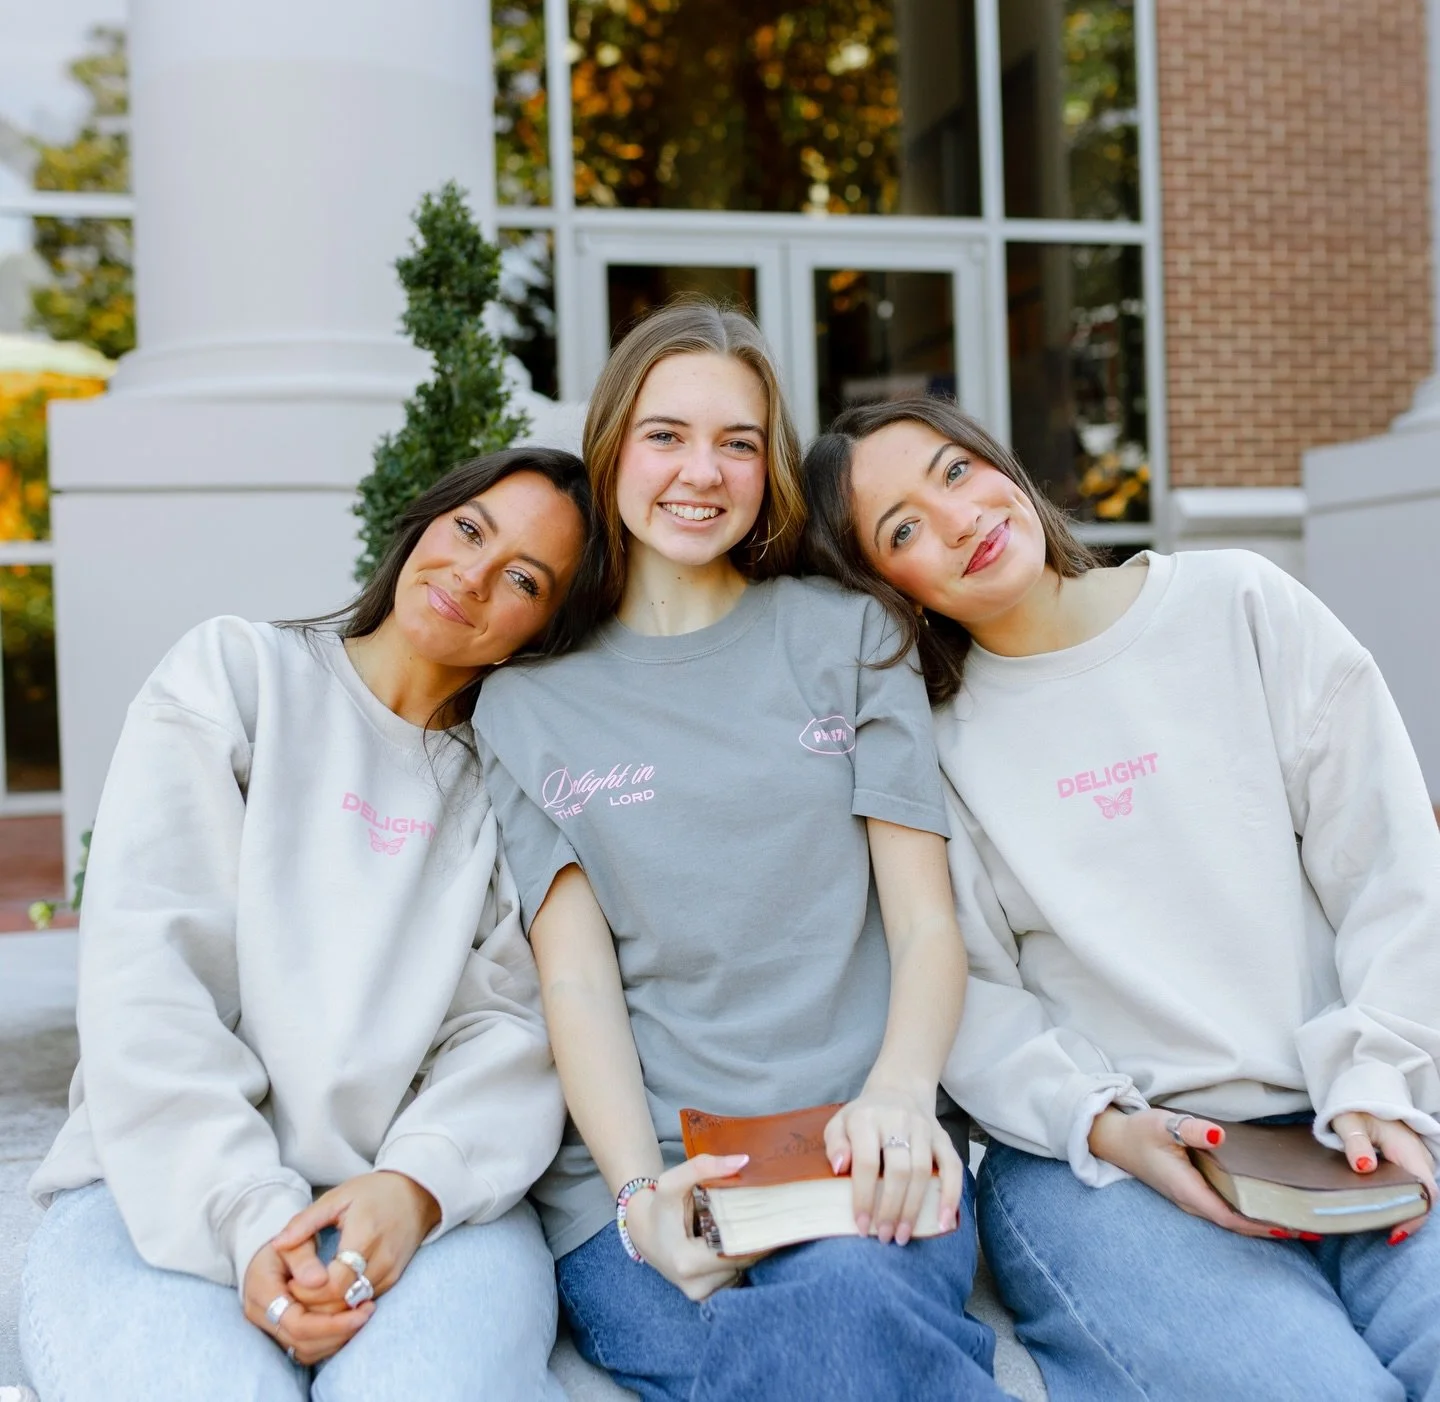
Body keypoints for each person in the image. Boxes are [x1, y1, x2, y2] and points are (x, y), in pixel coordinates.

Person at [801, 395, 1440, 1401]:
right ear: (889, 588)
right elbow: (964, 987)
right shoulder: (933, 744)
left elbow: (1392, 865)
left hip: (1345, 1116)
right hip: (1103, 1163)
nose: (959, 518)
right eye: (904, 528)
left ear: (999, 465)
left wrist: (1381, 1080)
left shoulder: (1239, 604)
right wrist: (1106, 1124)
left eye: (955, 472)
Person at [474, 302, 1006, 1402]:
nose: (700, 472)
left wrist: (904, 1094)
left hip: (861, 1148)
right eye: (666, 434)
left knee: (842, 1318)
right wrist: (637, 1199)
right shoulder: (526, 706)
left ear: (770, 470)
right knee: (834, 1347)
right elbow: (575, 976)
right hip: (655, 1173)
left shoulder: (850, 637)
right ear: (612, 444)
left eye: (739, 443)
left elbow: (923, 920)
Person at [22, 447, 601, 1402]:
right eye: (469, 530)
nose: (472, 576)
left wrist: (413, 1189)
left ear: (540, 631)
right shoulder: (236, 677)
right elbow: (151, 986)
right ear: (426, 521)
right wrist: (251, 1215)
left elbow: (511, 1028)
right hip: (159, 1185)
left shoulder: (509, 782)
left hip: (425, 1205)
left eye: (524, 579)